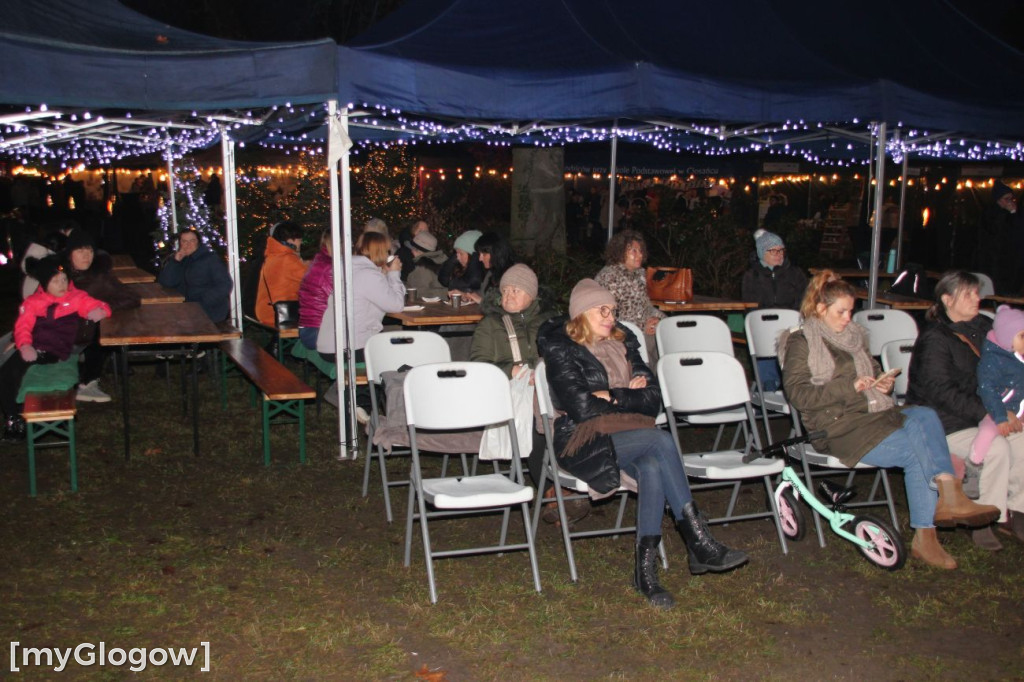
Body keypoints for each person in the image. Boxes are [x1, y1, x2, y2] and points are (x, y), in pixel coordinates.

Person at [538, 279, 748, 609]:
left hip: (629, 434)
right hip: (580, 440)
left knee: (652, 464)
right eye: (602, 310)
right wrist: (630, 394)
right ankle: (698, 541)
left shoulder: (625, 343)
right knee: (660, 440)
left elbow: (652, 400)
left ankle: (645, 574)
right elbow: (580, 407)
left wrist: (615, 395)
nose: (611, 316)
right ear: (581, 315)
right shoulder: (561, 349)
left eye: (614, 310)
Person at [781, 270, 1000, 569]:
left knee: (924, 414)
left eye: (851, 311)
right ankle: (928, 534)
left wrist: (883, 384)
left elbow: (871, 374)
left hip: (873, 415)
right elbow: (799, 396)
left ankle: (947, 499)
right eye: (841, 312)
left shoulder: (854, 338)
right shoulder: (802, 342)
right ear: (820, 309)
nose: (848, 318)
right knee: (917, 451)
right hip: (836, 427)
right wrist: (850, 386)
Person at [906, 271, 1024, 550]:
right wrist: (992, 412)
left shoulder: (984, 327)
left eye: (976, 292)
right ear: (947, 299)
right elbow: (941, 392)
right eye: (969, 293)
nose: (977, 298)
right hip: (943, 422)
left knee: (1021, 440)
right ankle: (985, 517)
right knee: (997, 447)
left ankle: (1016, 509)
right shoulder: (935, 339)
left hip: (986, 414)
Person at [2, 256, 111, 441]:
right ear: (44, 283)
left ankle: (42, 415)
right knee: (7, 373)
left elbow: (98, 304)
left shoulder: (75, 297)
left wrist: (99, 311)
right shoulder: (33, 302)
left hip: (55, 351)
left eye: (64, 279)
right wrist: (25, 345)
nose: (61, 285)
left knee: (18, 371)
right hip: (34, 349)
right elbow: (23, 327)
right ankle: (13, 418)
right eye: (55, 281)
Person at [62, 229, 141, 403]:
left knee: (98, 329)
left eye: (90, 251)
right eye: (81, 251)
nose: (86, 256)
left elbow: (132, 297)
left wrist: (106, 308)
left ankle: (88, 382)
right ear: (69, 254)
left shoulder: (99, 277)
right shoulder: (58, 274)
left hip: (85, 334)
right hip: (57, 332)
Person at [741, 228, 808, 391]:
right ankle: (768, 385)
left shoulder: (795, 274)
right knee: (764, 336)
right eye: (773, 251)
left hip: (791, 325)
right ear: (762, 253)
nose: (778, 254)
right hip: (764, 325)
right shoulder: (752, 276)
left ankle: (793, 383)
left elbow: (804, 300)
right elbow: (750, 306)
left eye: (781, 250)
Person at [349, 231, 405, 423]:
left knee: (394, 339)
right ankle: (368, 403)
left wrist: (387, 274)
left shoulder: (354, 268)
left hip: (347, 337)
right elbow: (397, 305)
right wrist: (394, 274)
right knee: (400, 349)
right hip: (357, 343)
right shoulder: (369, 275)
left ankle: (371, 402)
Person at [969, 305, 1024, 492]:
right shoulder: (992, 360)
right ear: (1008, 338)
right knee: (987, 432)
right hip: (995, 409)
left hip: (1019, 410)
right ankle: (974, 465)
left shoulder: (1019, 358)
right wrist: (1000, 416)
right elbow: (987, 390)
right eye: (1022, 336)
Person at [594, 230, 664, 362]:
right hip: (622, 334)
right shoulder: (609, 277)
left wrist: (658, 319)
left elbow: (646, 306)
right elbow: (609, 315)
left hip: (643, 329)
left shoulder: (640, 274)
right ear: (620, 252)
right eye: (633, 251)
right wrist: (643, 325)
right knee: (659, 343)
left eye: (640, 251)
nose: (639, 255)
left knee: (670, 333)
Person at [157, 229, 233, 323]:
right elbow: (166, 282)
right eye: (184, 241)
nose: (188, 244)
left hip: (209, 311)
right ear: (180, 243)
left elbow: (225, 285)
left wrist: (202, 302)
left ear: (198, 242)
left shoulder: (210, 259)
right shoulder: (182, 259)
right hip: (186, 308)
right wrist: (175, 262)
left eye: (192, 241)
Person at [254, 221, 308, 326]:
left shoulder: (273, 256)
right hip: (280, 315)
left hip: (267, 311)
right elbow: (313, 280)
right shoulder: (288, 259)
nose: (300, 243)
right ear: (290, 240)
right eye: (299, 240)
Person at [297, 229, 334, 351]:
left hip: (308, 328)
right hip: (317, 332)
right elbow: (342, 300)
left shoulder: (319, 261)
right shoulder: (330, 268)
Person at [463, 231, 516, 311]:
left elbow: (508, 308)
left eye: (484, 254)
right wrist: (468, 295)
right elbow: (483, 294)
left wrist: (481, 301)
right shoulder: (491, 273)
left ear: (496, 253)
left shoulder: (513, 275)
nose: (480, 259)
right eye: (479, 254)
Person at [403, 231, 448, 299]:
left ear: (417, 251)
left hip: (431, 308)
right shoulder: (443, 260)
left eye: (413, 249)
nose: (411, 251)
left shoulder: (422, 267)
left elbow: (418, 293)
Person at [439, 229, 484, 296]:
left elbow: (471, 283)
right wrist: (451, 261)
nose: (457, 257)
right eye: (456, 253)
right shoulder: (458, 267)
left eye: (461, 253)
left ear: (473, 255)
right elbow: (444, 280)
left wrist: (475, 259)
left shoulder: (484, 272)